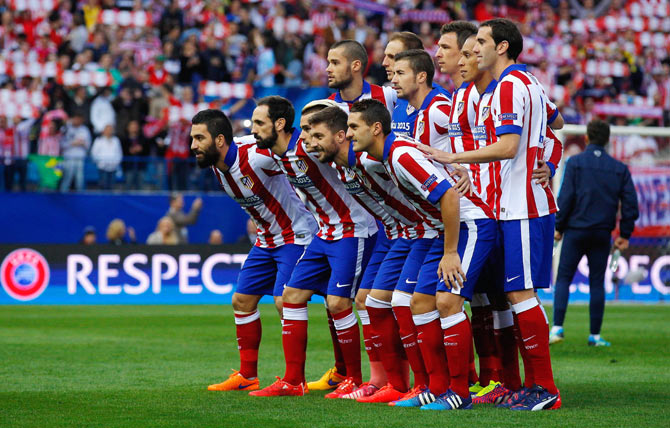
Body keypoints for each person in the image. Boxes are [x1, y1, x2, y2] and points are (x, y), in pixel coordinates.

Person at [419, 18, 562, 411]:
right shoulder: (520, 83)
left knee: (519, 293)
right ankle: (527, 384)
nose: (473, 48)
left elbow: (509, 146)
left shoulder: (510, 87)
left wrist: (454, 157)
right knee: (506, 294)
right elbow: (553, 123)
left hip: (522, 207)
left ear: (501, 48)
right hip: (504, 206)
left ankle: (544, 388)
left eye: (479, 42)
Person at [248, 96, 376, 397]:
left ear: (279, 126)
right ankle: (294, 382)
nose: (253, 130)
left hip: (353, 229)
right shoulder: (273, 152)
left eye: (258, 124)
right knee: (290, 297)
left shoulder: (312, 147)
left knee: (338, 302)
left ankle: (354, 379)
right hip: (325, 233)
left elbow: (346, 141)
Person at [190, 108, 316, 392]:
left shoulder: (257, 154)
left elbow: (293, 155)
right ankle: (248, 376)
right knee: (242, 301)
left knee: (285, 301)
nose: (192, 146)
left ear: (220, 140)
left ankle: (295, 381)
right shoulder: (216, 165)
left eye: (199, 138)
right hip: (266, 240)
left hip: (296, 236)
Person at [551, 119, 639, 347]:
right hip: (601, 233)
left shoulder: (575, 163)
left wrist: (558, 227)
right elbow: (630, 203)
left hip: (575, 231)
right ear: (607, 140)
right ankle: (595, 336)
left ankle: (558, 328)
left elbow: (566, 197)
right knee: (597, 282)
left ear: (587, 138)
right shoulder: (619, 168)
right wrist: (625, 234)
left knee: (563, 278)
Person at [326, 39, 397, 114]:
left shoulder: (388, 96)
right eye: (329, 63)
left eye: (335, 63)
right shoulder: (327, 107)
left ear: (356, 66)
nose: (328, 69)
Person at [59, 112, 92, 192]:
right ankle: (63, 195)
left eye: (79, 119)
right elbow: (60, 144)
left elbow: (88, 145)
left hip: (80, 157)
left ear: (82, 120)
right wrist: (72, 143)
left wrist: (83, 143)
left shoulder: (85, 130)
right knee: (67, 177)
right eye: (75, 119)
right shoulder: (65, 128)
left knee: (79, 178)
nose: (77, 121)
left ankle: (80, 197)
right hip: (68, 157)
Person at [91, 124, 122, 190]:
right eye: (107, 129)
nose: (109, 131)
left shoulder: (116, 140)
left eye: (110, 129)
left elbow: (119, 153)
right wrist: (101, 163)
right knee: (103, 186)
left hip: (113, 168)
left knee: (112, 187)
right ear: (103, 131)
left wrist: (115, 163)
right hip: (103, 168)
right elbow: (94, 153)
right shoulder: (98, 140)